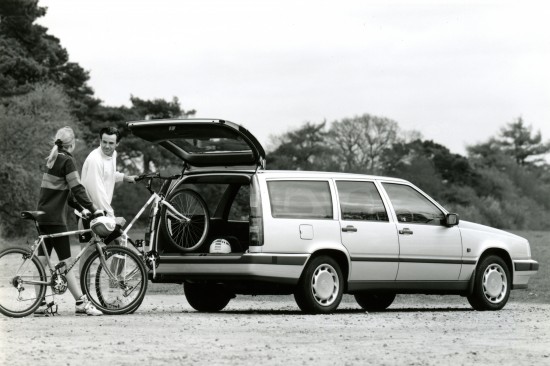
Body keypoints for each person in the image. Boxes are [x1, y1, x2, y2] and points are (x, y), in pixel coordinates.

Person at [35, 126, 103, 316]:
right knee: (66, 262)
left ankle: (39, 304)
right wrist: (94, 209)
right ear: (72, 144)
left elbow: (67, 195)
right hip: (55, 218)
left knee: (41, 259)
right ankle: (81, 303)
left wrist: (82, 209)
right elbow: (78, 189)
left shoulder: (52, 159)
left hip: (43, 216)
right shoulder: (67, 160)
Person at [78, 127, 137, 273]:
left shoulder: (113, 154)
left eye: (111, 143)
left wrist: (124, 177)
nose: (106, 146)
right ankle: (82, 294)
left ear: (117, 144)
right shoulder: (94, 160)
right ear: (100, 141)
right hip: (88, 213)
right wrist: (112, 217)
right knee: (87, 255)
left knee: (121, 243)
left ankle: (115, 285)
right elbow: (97, 192)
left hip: (102, 212)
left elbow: (108, 174)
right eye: (104, 142)